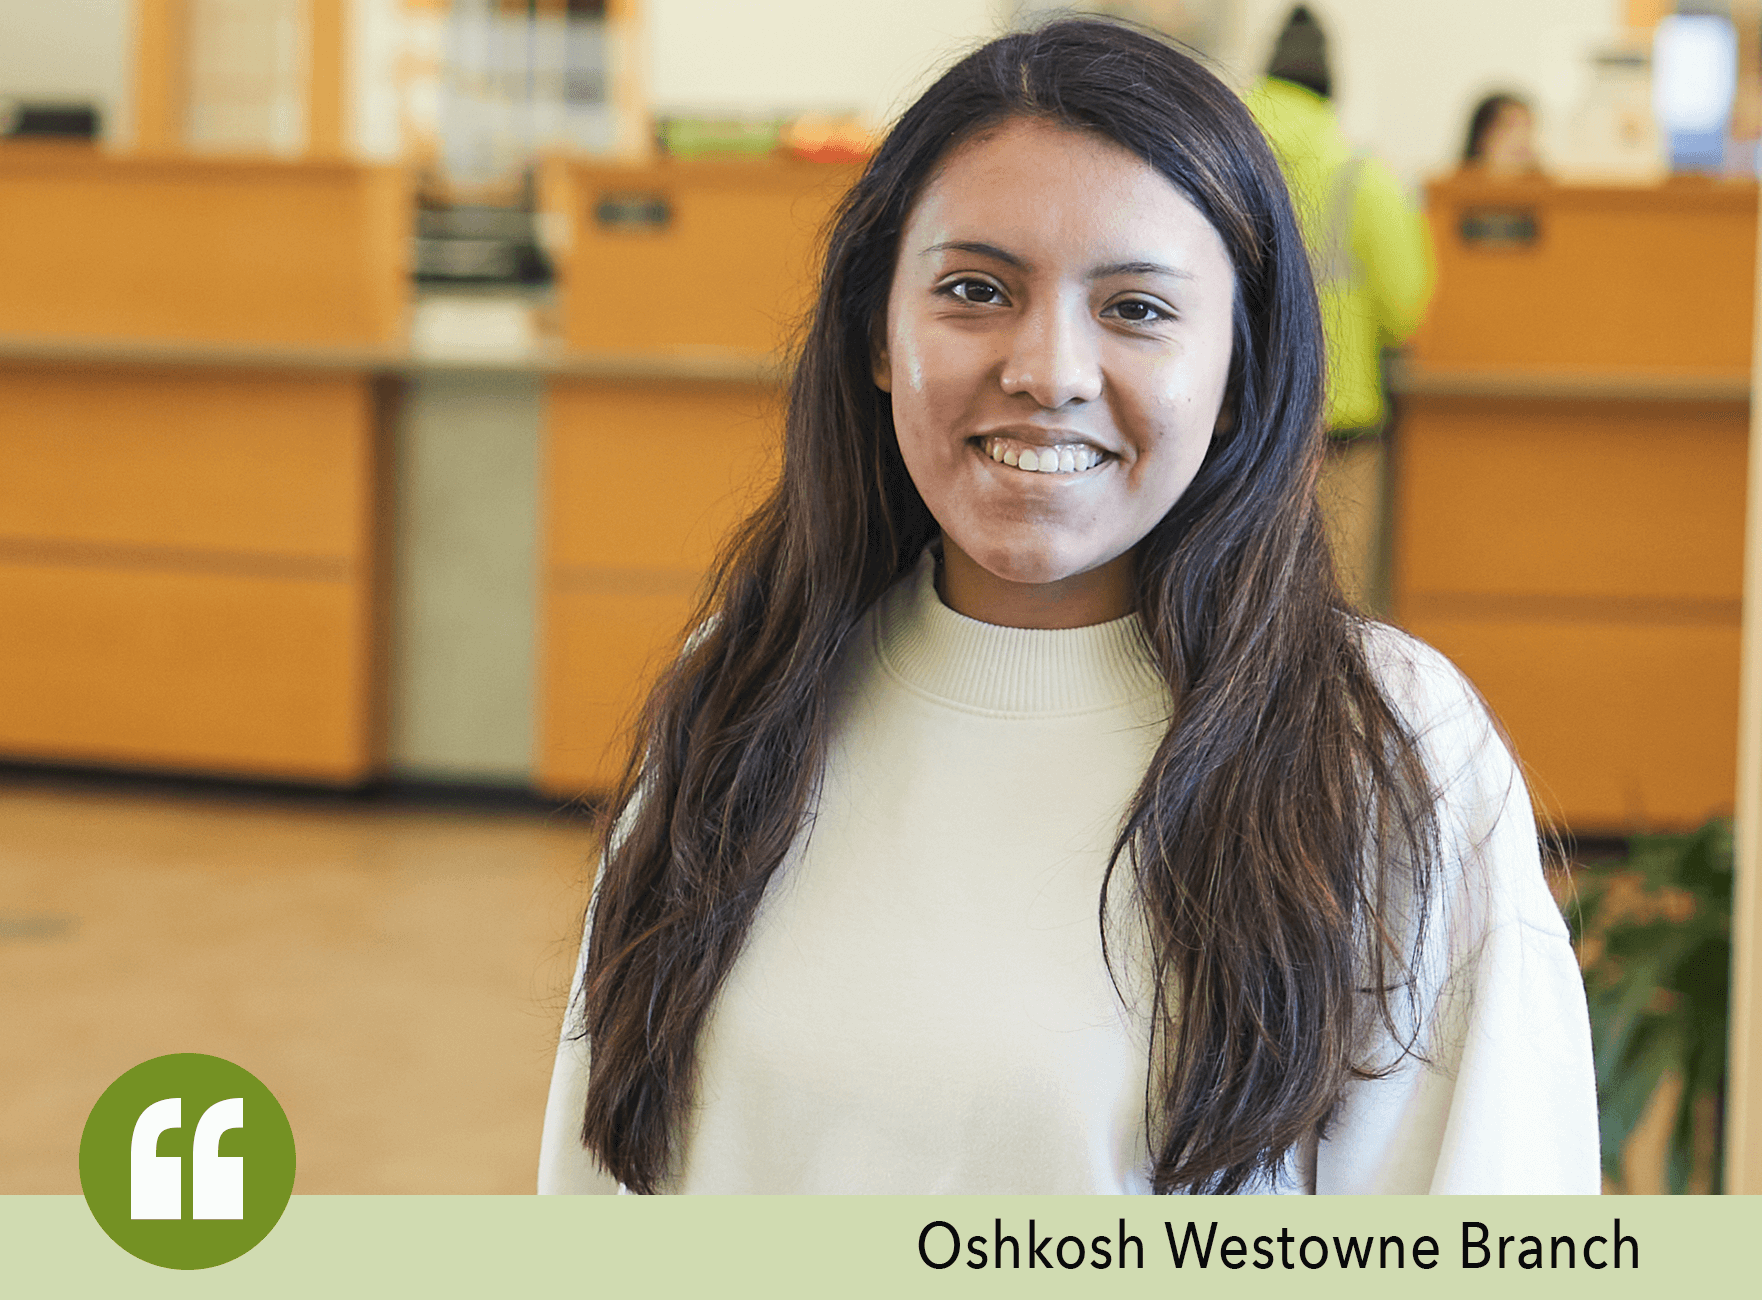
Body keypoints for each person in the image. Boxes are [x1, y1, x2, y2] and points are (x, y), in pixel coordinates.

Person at [538, 18, 1598, 1195]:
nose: (1048, 369)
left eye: (1137, 308)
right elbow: (598, 1177)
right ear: (877, 334)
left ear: (1241, 368)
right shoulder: (745, 692)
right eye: (975, 289)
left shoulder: (1385, 745)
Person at [1243, 6, 1431, 618]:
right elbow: (1405, 307)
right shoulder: (1359, 173)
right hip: (1339, 420)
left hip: (1237, 415)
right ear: (1330, 85)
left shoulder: (1221, 156)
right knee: (1334, 605)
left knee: (1237, 589)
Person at [1463, 92, 1541, 175]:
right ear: (1482, 135)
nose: (1521, 139)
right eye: (1509, 127)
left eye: (1527, 129)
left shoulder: (1544, 184)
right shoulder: (1455, 183)